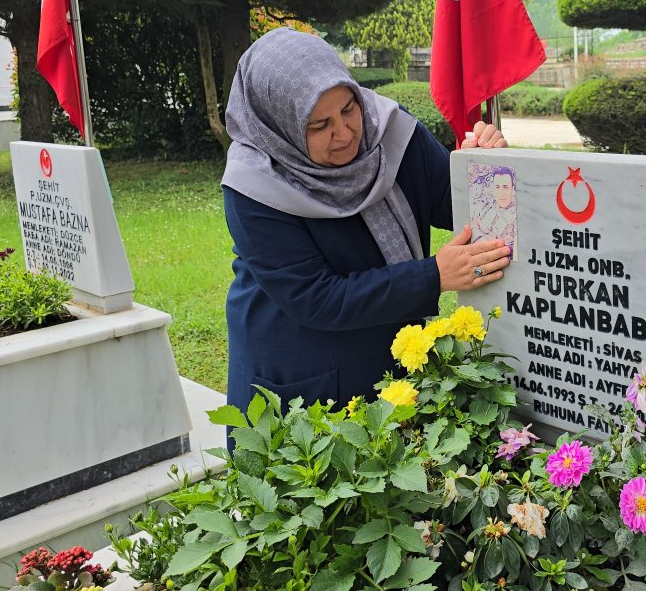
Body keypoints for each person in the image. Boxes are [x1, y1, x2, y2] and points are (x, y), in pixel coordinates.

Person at [221, 28, 511, 413]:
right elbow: (315, 297)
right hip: (299, 370)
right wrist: (433, 276)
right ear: (282, 126)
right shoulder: (254, 186)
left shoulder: (389, 130)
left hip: (392, 351)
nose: (344, 134)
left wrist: (482, 168)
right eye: (319, 125)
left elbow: (449, 202)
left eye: (347, 109)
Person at [471, 166, 517, 256]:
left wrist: (476, 230)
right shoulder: (488, 207)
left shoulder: (517, 216)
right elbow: (473, 222)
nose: (501, 193)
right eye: (497, 187)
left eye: (505, 187)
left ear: (512, 188)